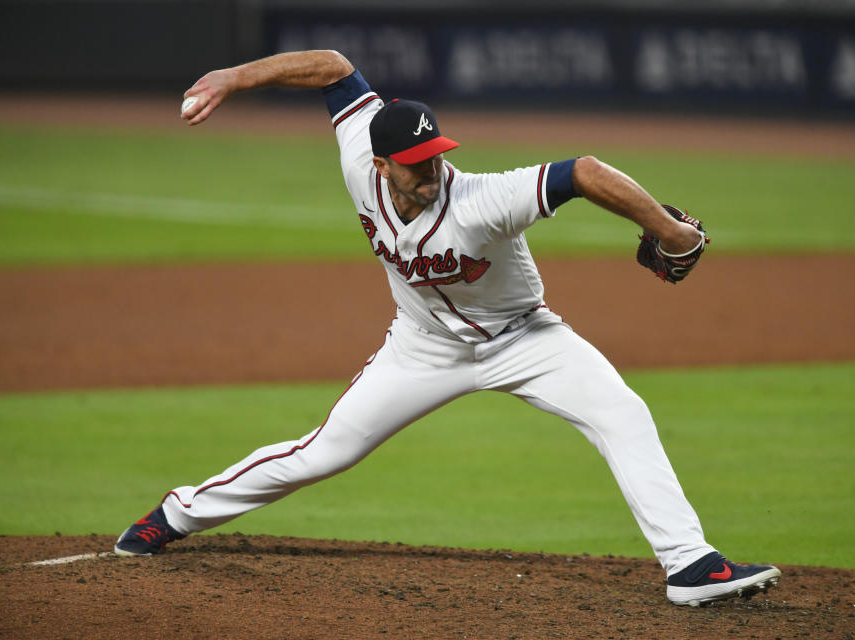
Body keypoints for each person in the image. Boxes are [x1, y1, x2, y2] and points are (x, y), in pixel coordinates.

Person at [113, 49, 780, 607]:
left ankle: (690, 564)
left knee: (622, 414)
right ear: (381, 165)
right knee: (324, 452)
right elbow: (333, 68)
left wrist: (666, 231)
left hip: (527, 340)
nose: (430, 170)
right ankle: (175, 514)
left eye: (435, 154)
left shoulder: (482, 200)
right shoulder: (358, 159)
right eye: (415, 162)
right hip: (421, 348)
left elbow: (583, 173)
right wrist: (236, 78)